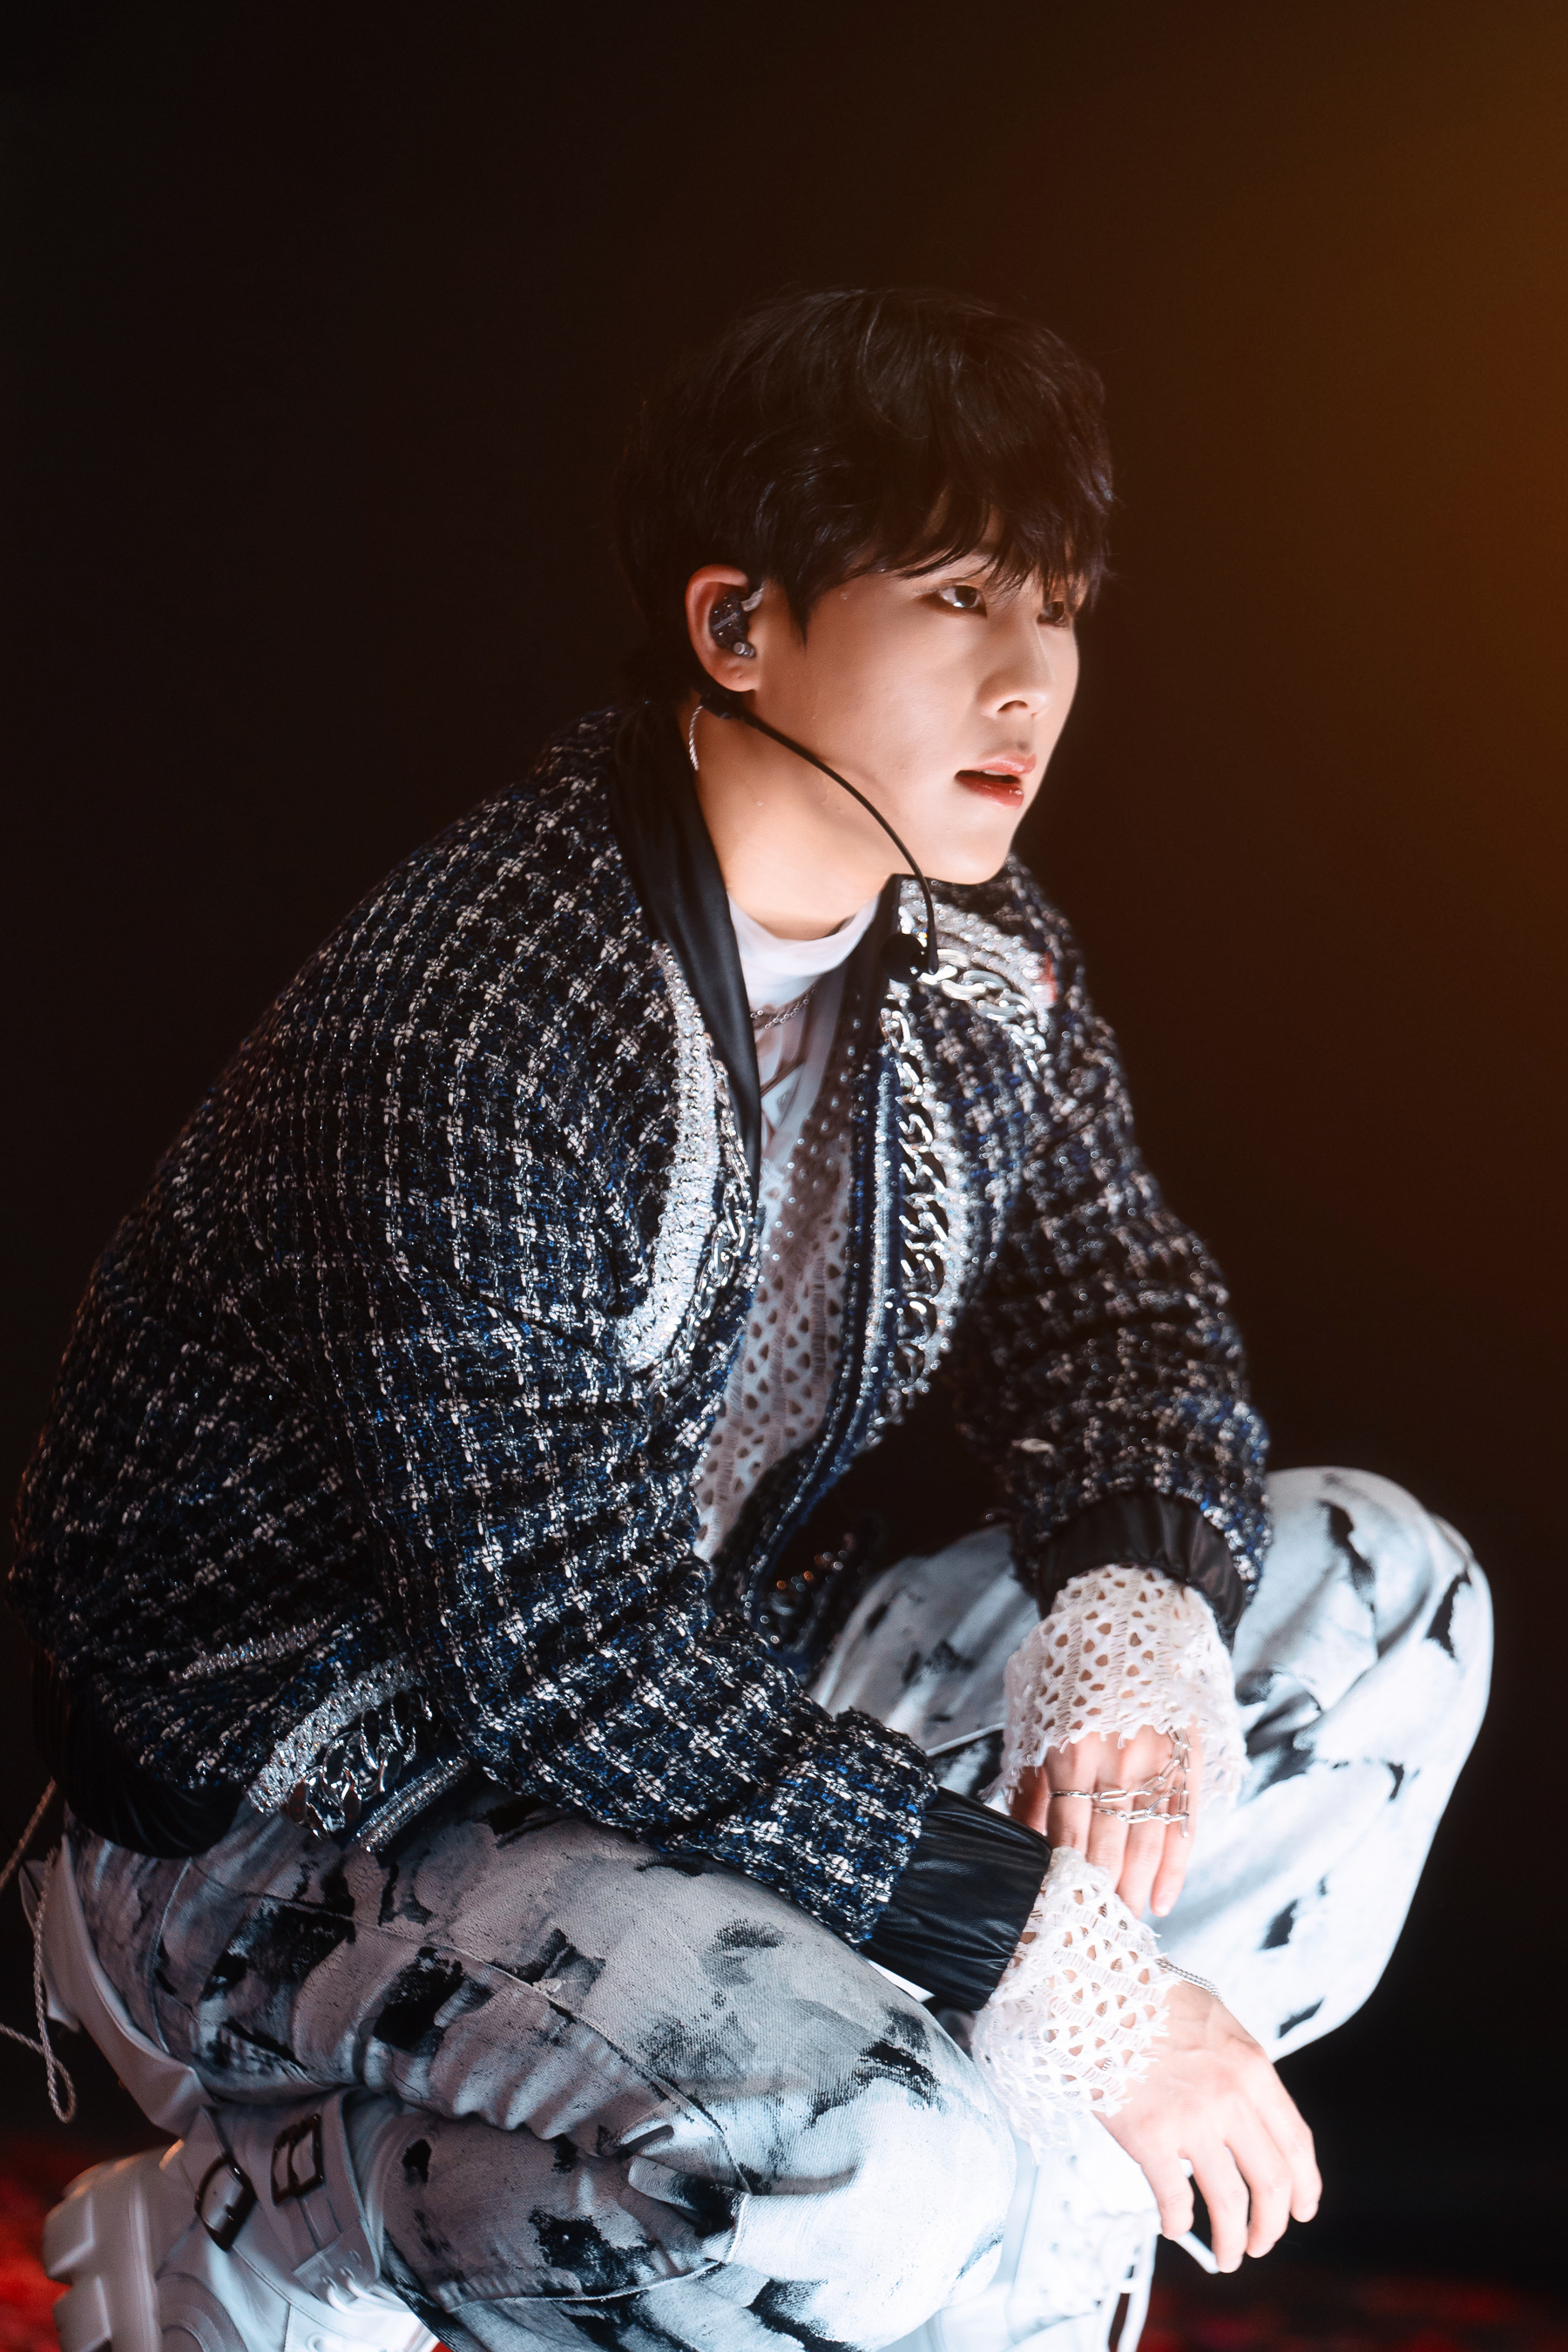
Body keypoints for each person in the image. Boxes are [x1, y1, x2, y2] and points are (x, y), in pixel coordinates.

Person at [10, 288, 1490, 2352]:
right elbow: (561, 1645)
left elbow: (1122, 1304)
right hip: (301, 1822)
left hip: (691, 1713)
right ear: (737, 627)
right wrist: (1060, 1971)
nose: (1028, 678)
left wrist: (1130, 1610)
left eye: (1057, 607)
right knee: (879, 2163)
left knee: (1386, 1590)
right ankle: (272, 2226)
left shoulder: (980, 956)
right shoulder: (479, 1016)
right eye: (956, 596)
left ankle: (1009, 2209)